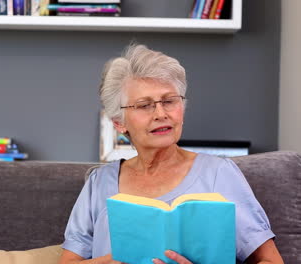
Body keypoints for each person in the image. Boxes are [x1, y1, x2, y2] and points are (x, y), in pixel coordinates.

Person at [58, 44, 283, 264]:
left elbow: (270, 260)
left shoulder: (219, 174)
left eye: (169, 101)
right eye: (144, 105)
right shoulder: (99, 183)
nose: (160, 113)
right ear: (119, 123)